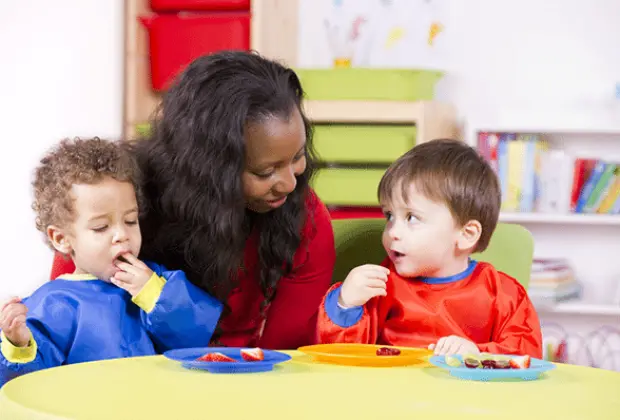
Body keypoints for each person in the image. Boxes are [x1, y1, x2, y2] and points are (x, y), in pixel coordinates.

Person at [50, 51, 336, 349]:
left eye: (298, 157)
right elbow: (65, 322)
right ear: (208, 169)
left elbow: (284, 351)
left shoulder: (304, 217)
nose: (290, 183)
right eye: (265, 172)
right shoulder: (115, 201)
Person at [0, 138, 222, 386]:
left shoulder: (153, 281)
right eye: (101, 227)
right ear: (61, 239)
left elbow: (195, 337)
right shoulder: (53, 302)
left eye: (130, 221)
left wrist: (155, 295)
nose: (121, 235)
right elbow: (28, 384)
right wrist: (18, 345)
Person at [316, 139, 543, 358]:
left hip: (466, 396)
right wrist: (345, 305)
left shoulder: (502, 294)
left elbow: (526, 357)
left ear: (466, 234)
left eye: (412, 217)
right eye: (390, 216)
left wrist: (478, 355)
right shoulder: (381, 285)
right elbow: (340, 357)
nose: (393, 231)